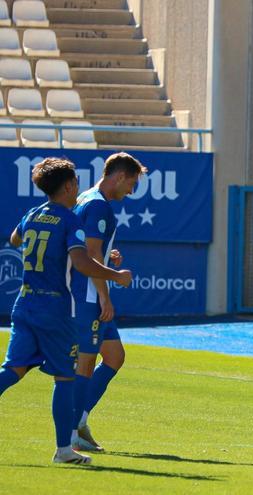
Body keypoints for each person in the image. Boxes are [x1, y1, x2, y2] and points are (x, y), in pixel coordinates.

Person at [0, 157, 132, 465]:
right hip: (56, 309)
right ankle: (63, 449)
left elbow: (15, 239)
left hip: (25, 304)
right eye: (75, 183)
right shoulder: (69, 219)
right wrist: (116, 276)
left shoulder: (33, 214)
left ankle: (68, 444)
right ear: (69, 185)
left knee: (13, 371)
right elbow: (84, 262)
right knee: (65, 377)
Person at [69, 152, 147, 452]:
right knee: (84, 364)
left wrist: (107, 256)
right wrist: (106, 290)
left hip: (86, 290)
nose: (131, 190)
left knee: (114, 357)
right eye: (132, 183)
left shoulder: (86, 197)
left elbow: (87, 248)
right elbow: (88, 255)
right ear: (119, 176)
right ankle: (71, 430)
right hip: (88, 295)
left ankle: (80, 421)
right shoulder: (99, 206)